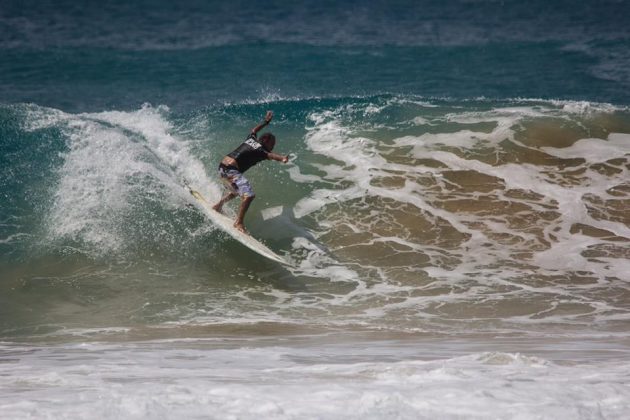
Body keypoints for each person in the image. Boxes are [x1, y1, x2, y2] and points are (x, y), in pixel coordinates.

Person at [212, 111, 288, 233]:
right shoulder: (261, 150)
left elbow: (254, 130)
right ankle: (239, 222)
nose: (273, 146)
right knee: (249, 196)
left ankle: (218, 206)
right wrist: (283, 158)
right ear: (266, 142)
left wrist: (265, 122)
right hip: (231, 170)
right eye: (272, 143)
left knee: (236, 191)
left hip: (222, 167)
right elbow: (272, 155)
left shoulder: (251, 139)